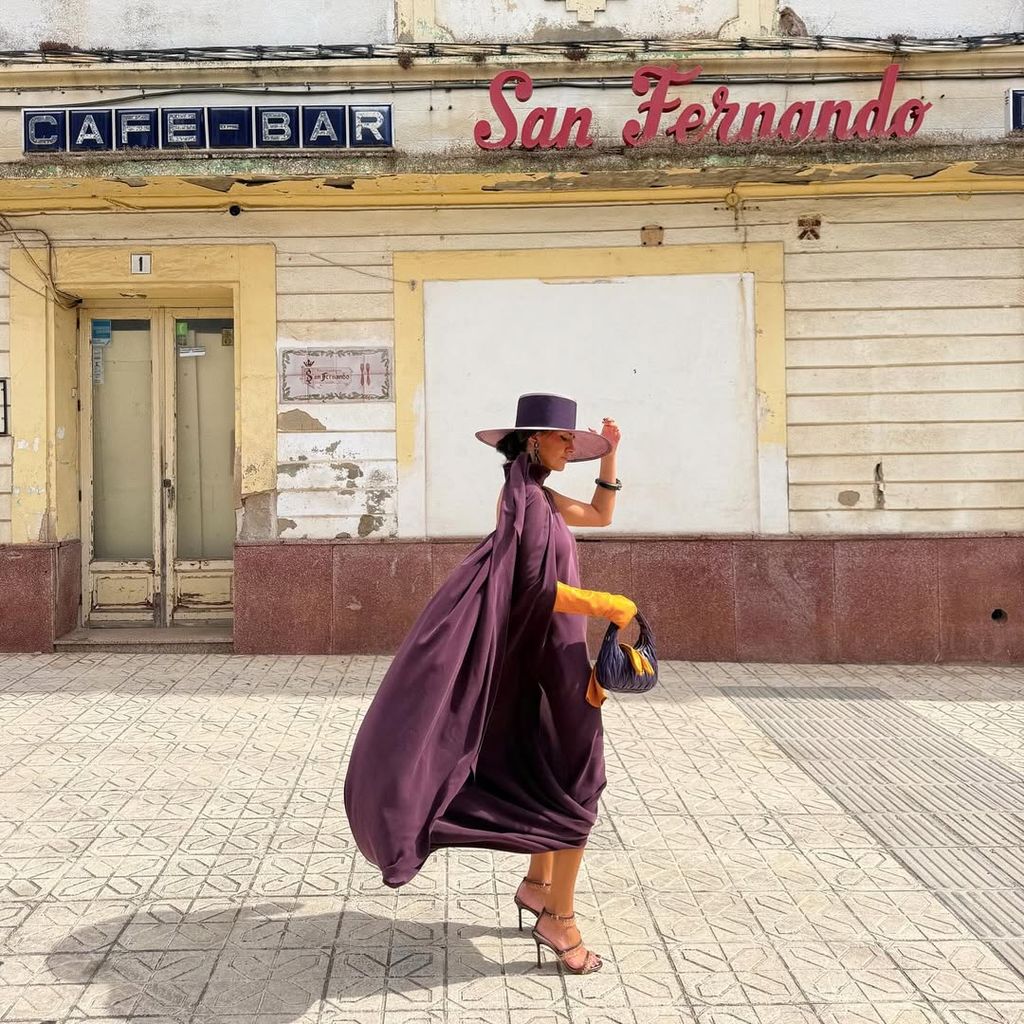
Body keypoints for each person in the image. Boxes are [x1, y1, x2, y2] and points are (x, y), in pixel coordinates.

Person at [344, 393, 639, 976]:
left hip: (555, 655)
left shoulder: (542, 497)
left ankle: (537, 884)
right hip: (549, 660)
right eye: (564, 441)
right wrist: (608, 604)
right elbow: (532, 592)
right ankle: (560, 919)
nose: (570, 449)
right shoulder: (524, 500)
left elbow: (603, 517)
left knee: (553, 767)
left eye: (575, 444)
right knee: (581, 779)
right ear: (533, 440)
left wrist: (611, 459)